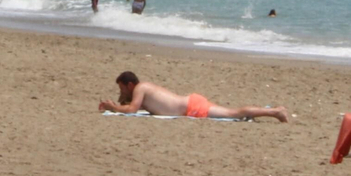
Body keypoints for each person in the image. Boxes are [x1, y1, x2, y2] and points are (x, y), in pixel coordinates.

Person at [99, 71, 289, 122]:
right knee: (233, 113)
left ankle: (275, 112)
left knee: (234, 113)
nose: (122, 93)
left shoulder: (141, 88)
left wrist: (113, 107)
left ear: (130, 85)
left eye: (123, 89)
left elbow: (131, 110)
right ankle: (274, 112)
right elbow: (129, 105)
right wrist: (117, 104)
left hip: (192, 107)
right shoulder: (142, 91)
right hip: (190, 103)